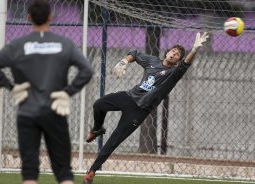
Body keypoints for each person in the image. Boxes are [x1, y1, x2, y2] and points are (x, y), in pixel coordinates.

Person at [0, 0, 93, 184]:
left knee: (29, 171)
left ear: (29, 18)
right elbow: (87, 70)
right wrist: (67, 92)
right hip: (55, 110)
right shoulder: (64, 44)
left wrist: (11, 86)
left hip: (27, 111)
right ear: (50, 17)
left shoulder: (17, 45)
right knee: (64, 171)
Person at [83, 32, 209, 184]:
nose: (174, 54)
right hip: (128, 97)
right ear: (167, 52)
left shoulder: (173, 73)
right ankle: (97, 129)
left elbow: (185, 65)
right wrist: (124, 61)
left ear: (177, 61)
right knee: (99, 104)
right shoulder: (153, 61)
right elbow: (134, 54)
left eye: (178, 55)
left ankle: (92, 171)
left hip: (139, 111)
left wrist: (194, 50)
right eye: (173, 51)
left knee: (114, 140)